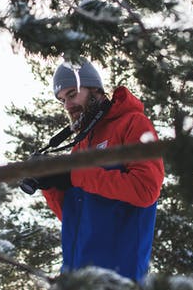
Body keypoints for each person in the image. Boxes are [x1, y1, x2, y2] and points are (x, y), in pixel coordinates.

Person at [25, 59, 164, 282]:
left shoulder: (133, 124)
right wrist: (49, 185)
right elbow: (76, 219)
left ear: (95, 89)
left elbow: (145, 189)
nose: (67, 106)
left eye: (72, 94)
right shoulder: (81, 145)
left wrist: (74, 175)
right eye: (62, 100)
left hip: (118, 277)